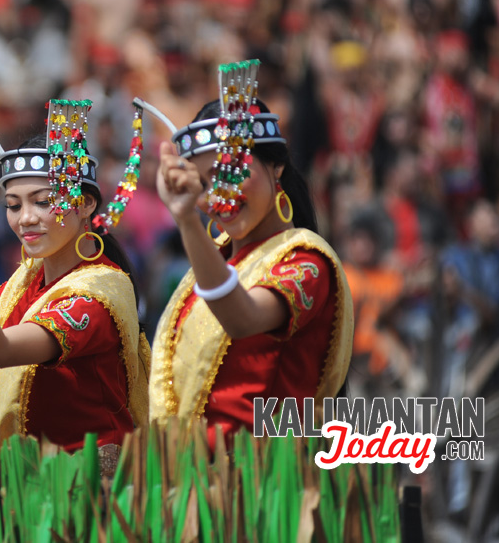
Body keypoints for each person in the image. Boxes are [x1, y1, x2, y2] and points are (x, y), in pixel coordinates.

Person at [0, 100, 149, 452]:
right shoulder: (25, 286)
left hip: (94, 492)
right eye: (14, 205)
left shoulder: (96, 296)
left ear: (87, 205)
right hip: (38, 488)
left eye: (43, 202)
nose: (25, 218)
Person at [143, 61, 353, 444]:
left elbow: (242, 318)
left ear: (276, 167)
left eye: (232, 172)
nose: (219, 195)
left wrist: (188, 220)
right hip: (196, 484)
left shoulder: (307, 262)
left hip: (267, 484)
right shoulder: (215, 264)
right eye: (203, 183)